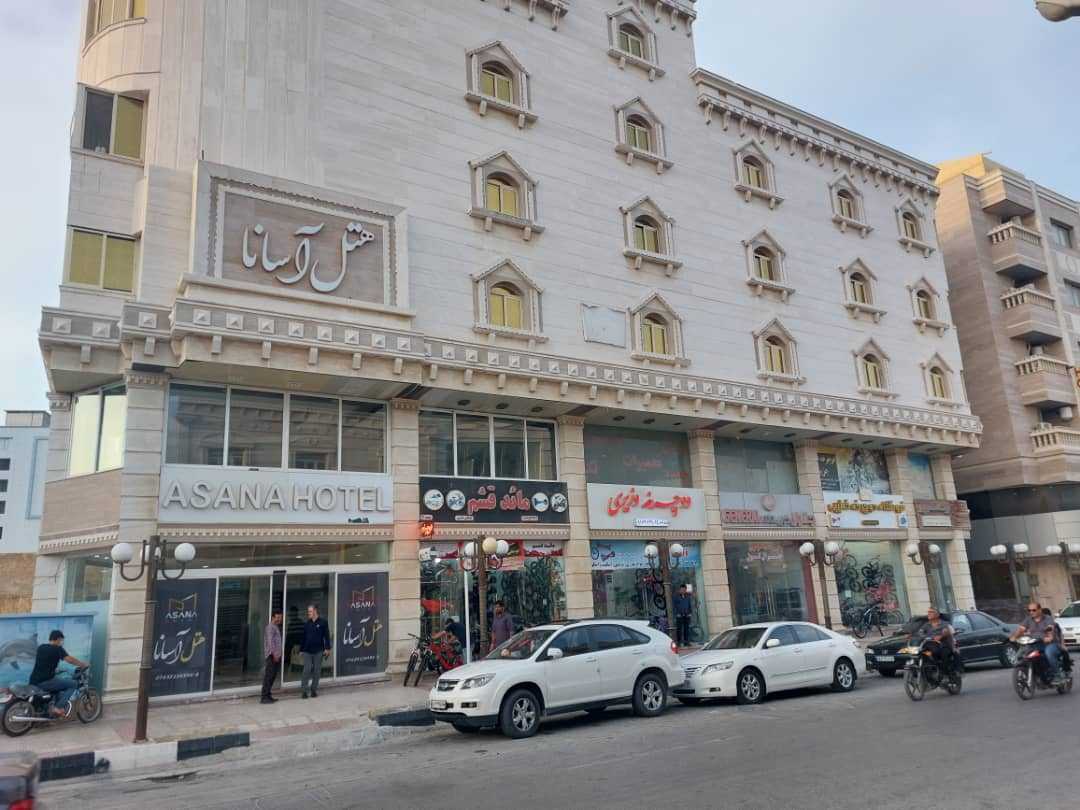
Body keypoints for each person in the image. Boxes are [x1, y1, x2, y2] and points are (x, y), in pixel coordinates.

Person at [29, 630, 88, 718]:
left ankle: (50, 708)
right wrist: (82, 664)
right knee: (73, 684)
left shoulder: (41, 647)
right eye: (61, 640)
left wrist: (57, 670)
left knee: (58, 683)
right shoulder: (57, 649)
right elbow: (69, 659)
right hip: (45, 681)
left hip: (34, 680)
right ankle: (58, 707)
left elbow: (45, 663)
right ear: (58, 639)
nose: (62, 642)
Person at [1010, 601, 1063, 683]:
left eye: (1034, 610)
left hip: (1050, 643)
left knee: (1049, 653)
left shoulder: (1047, 618)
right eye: (1029, 610)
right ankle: (1029, 671)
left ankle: (1057, 675)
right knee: (1023, 653)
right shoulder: (1028, 619)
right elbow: (1021, 629)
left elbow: (1050, 628)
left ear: (1039, 610)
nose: (1031, 612)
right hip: (1035, 643)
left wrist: (1049, 637)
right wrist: (1014, 637)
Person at [299, 604, 331, 699]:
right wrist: (301, 650)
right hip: (307, 651)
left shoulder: (323, 622)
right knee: (307, 670)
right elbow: (303, 638)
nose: (308, 613)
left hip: (319, 651)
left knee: (317, 671)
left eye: (310, 611)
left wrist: (327, 648)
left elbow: (327, 636)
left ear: (315, 611)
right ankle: (304, 691)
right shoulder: (307, 624)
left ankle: (313, 690)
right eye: (308, 611)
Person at [915, 606, 957, 677]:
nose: (929, 614)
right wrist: (919, 636)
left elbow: (951, 632)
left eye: (931, 612)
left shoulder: (945, 624)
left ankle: (945, 673)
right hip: (930, 646)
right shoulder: (926, 625)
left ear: (937, 615)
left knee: (944, 654)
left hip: (943, 645)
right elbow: (920, 633)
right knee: (921, 654)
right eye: (928, 612)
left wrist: (943, 635)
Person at [261, 610, 283, 705]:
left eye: (280, 617)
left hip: (275, 656)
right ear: (273, 617)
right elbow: (270, 643)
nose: (279, 619)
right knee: (269, 676)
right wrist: (274, 655)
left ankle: (268, 695)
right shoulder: (270, 627)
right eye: (278, 617)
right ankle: (264, 697)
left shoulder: (275, 627)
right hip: (272, 656)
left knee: (272, 676)